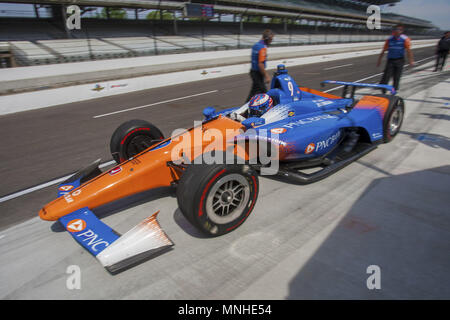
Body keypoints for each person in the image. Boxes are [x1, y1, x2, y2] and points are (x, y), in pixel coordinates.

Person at [377, 25, 414, 93]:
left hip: (400, 60)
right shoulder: (389, 39)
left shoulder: (405, 39)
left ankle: (394, 91)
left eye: (399, 30)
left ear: (401, 31)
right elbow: (383, 50)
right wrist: (379, 60)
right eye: (396, 29)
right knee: (387, 75)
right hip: (390, 60)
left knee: (397, 76)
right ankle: (383, 91)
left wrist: (411, 60)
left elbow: (409, 51)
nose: (397, 31)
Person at [246, 29, 274, 102]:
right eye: (271, 39)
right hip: (257, 73)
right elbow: (260, 64)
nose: (271, 42)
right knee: (264, 92)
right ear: (267, 38)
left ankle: (245, 107)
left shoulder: (256, 45)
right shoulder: (262, 48)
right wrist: (267, 76)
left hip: (253, 71)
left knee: (254, 91)